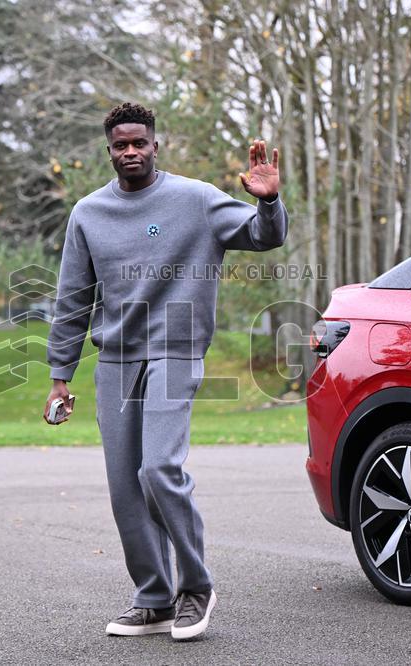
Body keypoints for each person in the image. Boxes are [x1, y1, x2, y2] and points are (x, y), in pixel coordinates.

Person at [43, 102, 288, 640]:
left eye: (139, 143)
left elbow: (263, 236)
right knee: (124, 488)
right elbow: (72, 298)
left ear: (156, 146)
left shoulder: (196, 199)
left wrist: (268, 202)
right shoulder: (87, 213)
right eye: (120, 145)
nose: (130, 152)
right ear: (109, 151)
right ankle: (153, 597)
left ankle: (196, 587)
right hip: (115, 360)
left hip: (176, 352)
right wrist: (60, 375)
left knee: (158, 470)